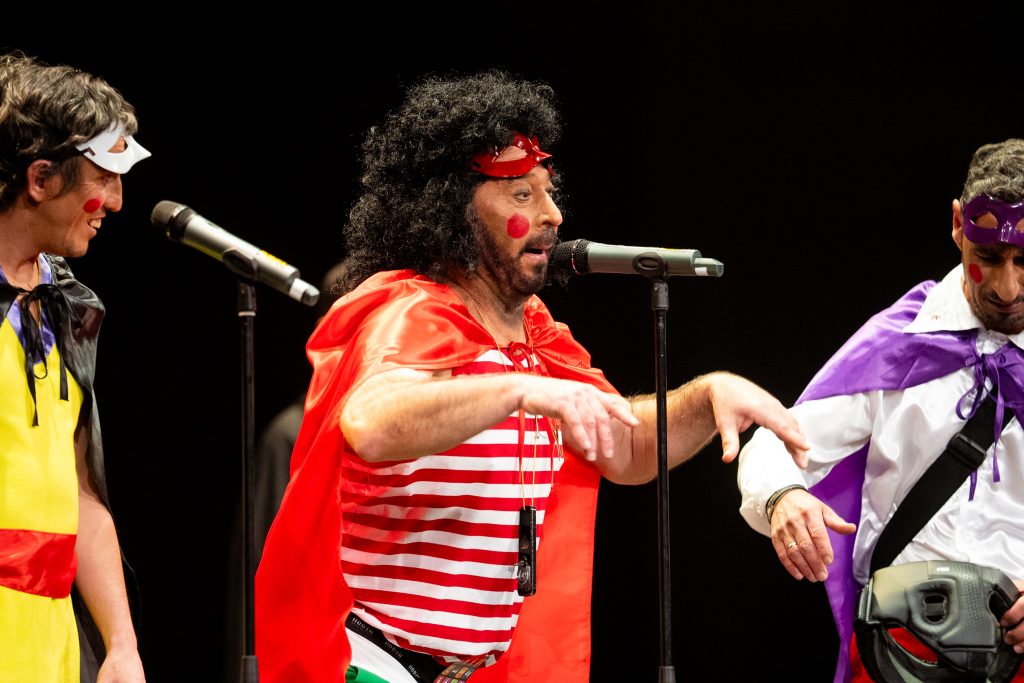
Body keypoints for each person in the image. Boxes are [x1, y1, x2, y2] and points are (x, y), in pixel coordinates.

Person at [256, 69, 809, 683]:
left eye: (548, 192)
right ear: (454, 210)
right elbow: (370, 423)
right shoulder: (413, 310)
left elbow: (624, 448)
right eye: (522, 195)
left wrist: (708, 396)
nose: (553, 214)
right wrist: (519, 390)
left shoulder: (535, 333)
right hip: (376, 666)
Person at [737, 138, 1024, 682]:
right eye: (988, 258)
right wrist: (782, 496)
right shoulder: (900, 341)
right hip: (899, 653)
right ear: (959, 225)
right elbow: (775, 440)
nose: (1007, 288)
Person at [0, 52, 150, 682]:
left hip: (52, 644)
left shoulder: (72, 307)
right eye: (104, 177)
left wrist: (121, 646)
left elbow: (80, 490)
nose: (115, 202)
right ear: (40, 178)